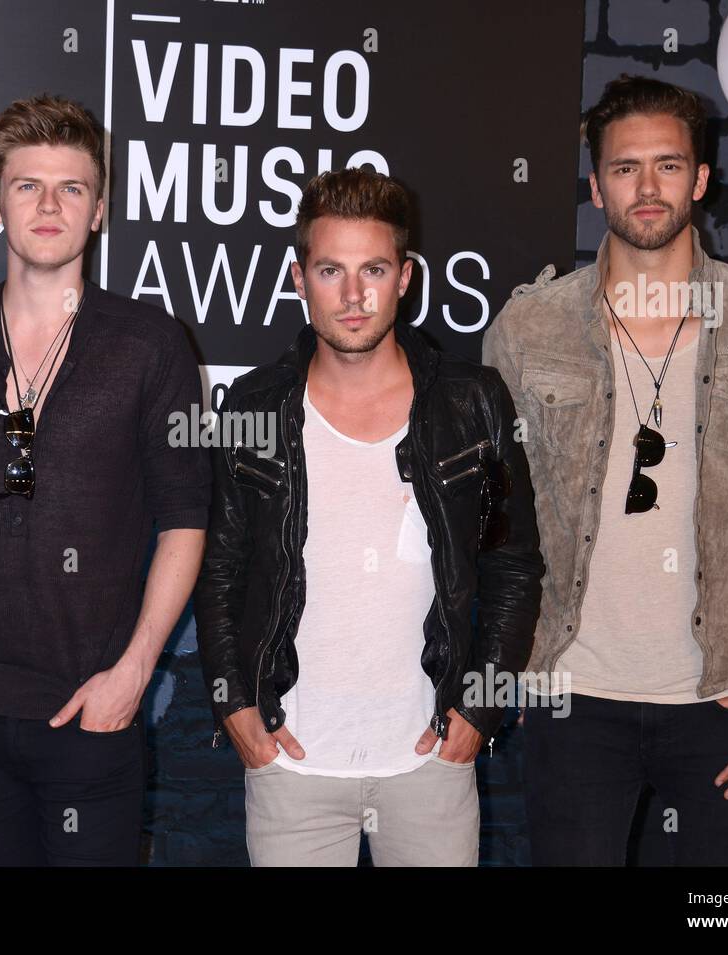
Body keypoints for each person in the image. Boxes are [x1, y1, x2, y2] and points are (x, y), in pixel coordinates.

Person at [482, 74, 728, 865]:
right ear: (595, 185)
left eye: (667, 166)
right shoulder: (530, 327)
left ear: (702, 179)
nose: (647, 189)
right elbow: (497, 516)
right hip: (572, 693)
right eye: (624, 169)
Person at [0, 94, 211, 866]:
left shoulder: (151, 345)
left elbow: (185, 519)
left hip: (91, 713)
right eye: (28, 185)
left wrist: (133, 674)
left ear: (100, 209)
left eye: (72, 188)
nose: (50, 204)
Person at [195, 168, 543, 866]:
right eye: (331, 270)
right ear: (299, 278)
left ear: (405, 276)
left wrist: (479, 710)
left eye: (374, 269)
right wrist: (234, 706)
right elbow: (220, 573)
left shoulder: (474, 402)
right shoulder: (252, 408)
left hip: (429, 766)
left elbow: (514, 565)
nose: (354, 296)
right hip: (290, 763)